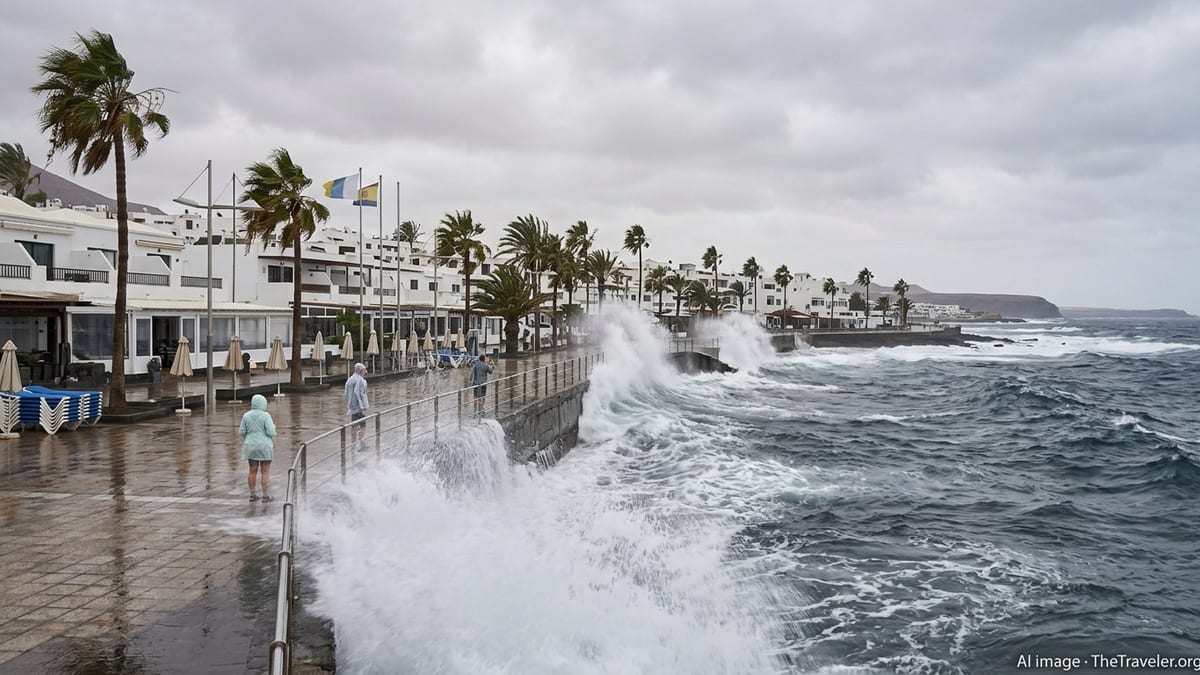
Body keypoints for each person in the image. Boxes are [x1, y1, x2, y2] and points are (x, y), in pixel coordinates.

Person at [239, 394, 277, 503]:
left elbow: (241, 431)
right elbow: (271, 431)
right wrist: (273, 429)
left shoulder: (246, 415)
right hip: (264, 446)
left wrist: (249, 437)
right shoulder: (266, 416)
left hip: (250, 445)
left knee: (252, 470)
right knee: (265, 470)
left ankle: (252, 494)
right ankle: (265, 495)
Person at [345, 362, 369, 426]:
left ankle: (353, 436)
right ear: (361, 371)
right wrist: (364, 406)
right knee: (362, 426)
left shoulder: (350, 379)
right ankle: (362, 436)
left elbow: (346, 394)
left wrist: (349, 404)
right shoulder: (361, 381)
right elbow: (361, 394)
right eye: (364, 370)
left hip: (352, 407)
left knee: (354, 425)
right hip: (360, 407)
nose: (365, 372)